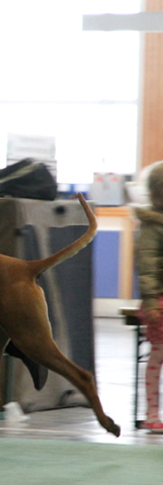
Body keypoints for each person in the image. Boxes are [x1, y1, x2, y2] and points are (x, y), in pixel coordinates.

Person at [135, 161, 163, 433]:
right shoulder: (152, 228)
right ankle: (151, 413)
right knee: (157, 357)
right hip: (160, 302)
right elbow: (147, 267)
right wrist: (152, 303)